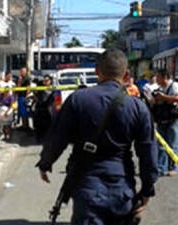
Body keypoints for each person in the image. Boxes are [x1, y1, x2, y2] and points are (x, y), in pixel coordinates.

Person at [36, 49, 158, 225]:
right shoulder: (138, 107)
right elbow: (148, 152)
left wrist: (45, 163)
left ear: (96, 71)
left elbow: (57, 138)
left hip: (86, 184)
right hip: (122, 185)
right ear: (126, 74)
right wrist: (147, 189)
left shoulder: (77, 100)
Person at [153, 69, 178, 177]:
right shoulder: (160, 88)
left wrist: (163, 97)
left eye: (158, 77)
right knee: (160, 145)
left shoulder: (175, 86)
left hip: (173, 120)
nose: (156, 79)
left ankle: (172, 168)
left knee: (172, 145)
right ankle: (161, 168)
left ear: (165, 77)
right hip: (162, 119)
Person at [33, 75, 55, 143]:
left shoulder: (53, 89)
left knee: (49, 125)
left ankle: (49, 139)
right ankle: (39, 139)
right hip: (40, 108)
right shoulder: (40, 88)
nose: (45, 82)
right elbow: (35, 95)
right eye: (44, 80)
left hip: (48, 109)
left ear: (50, 81)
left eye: (47, 80)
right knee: (38, 125)